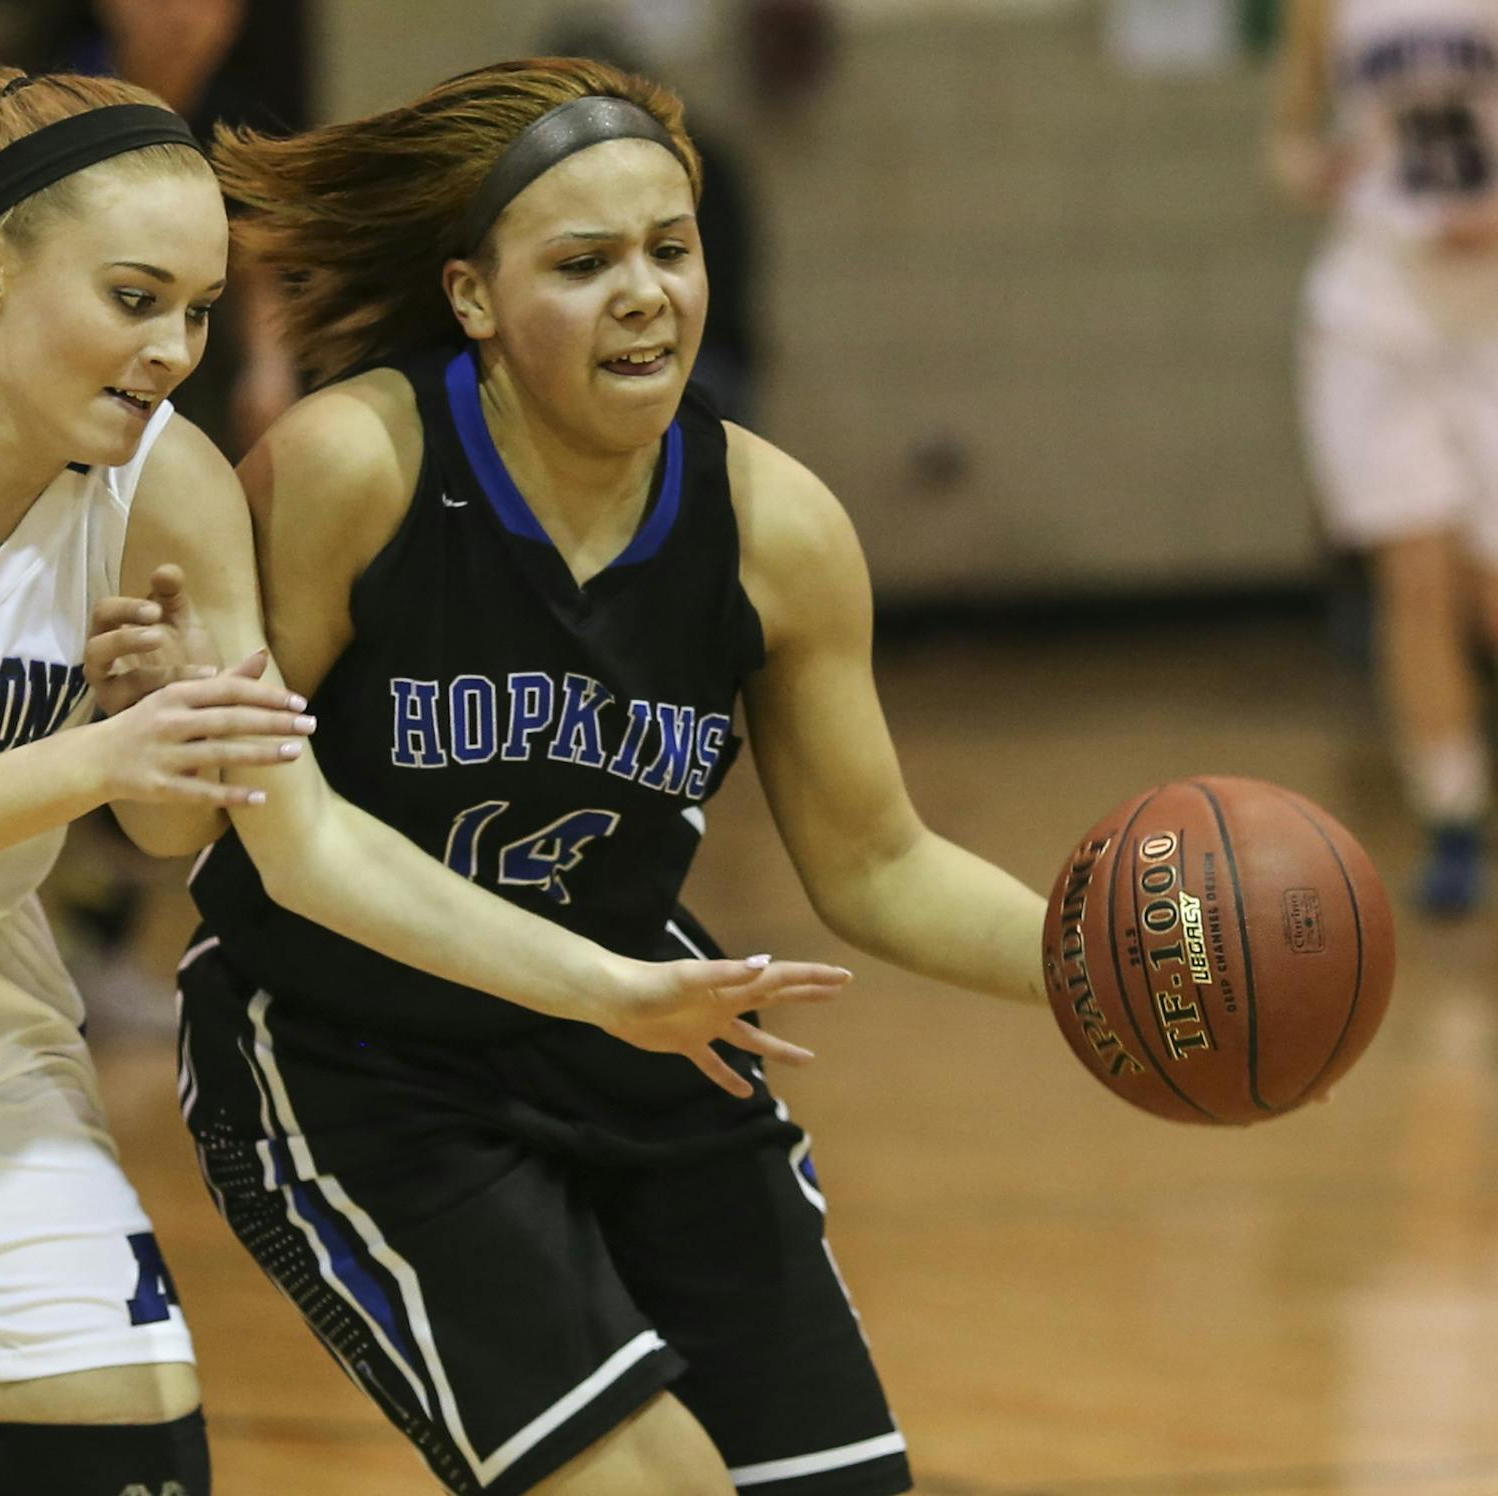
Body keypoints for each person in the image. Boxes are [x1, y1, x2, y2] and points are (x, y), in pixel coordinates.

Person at [0, 67, 822, 1496]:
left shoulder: (166, 488)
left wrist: (166, 720)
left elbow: (209, 831)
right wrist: (102, 751)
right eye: (133, 297)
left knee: (137, 1463)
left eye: (197, 308)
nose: (173, 346)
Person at [167, 59, 1047, 1495]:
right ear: (471, 298)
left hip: (637, 1036)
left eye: (670, 249)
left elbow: (878, 861)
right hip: (353, 1058)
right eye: (585, 263)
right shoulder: (351, 469)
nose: (646, 293)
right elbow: (228, 824)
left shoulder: (776, 527)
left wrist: (1084, 967)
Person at [1270, 0, 1498, 915]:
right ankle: (1451, 818)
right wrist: (1313, 170)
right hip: (1375, 308)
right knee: (1414, 575)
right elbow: (1286, 140)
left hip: (1489, 313)